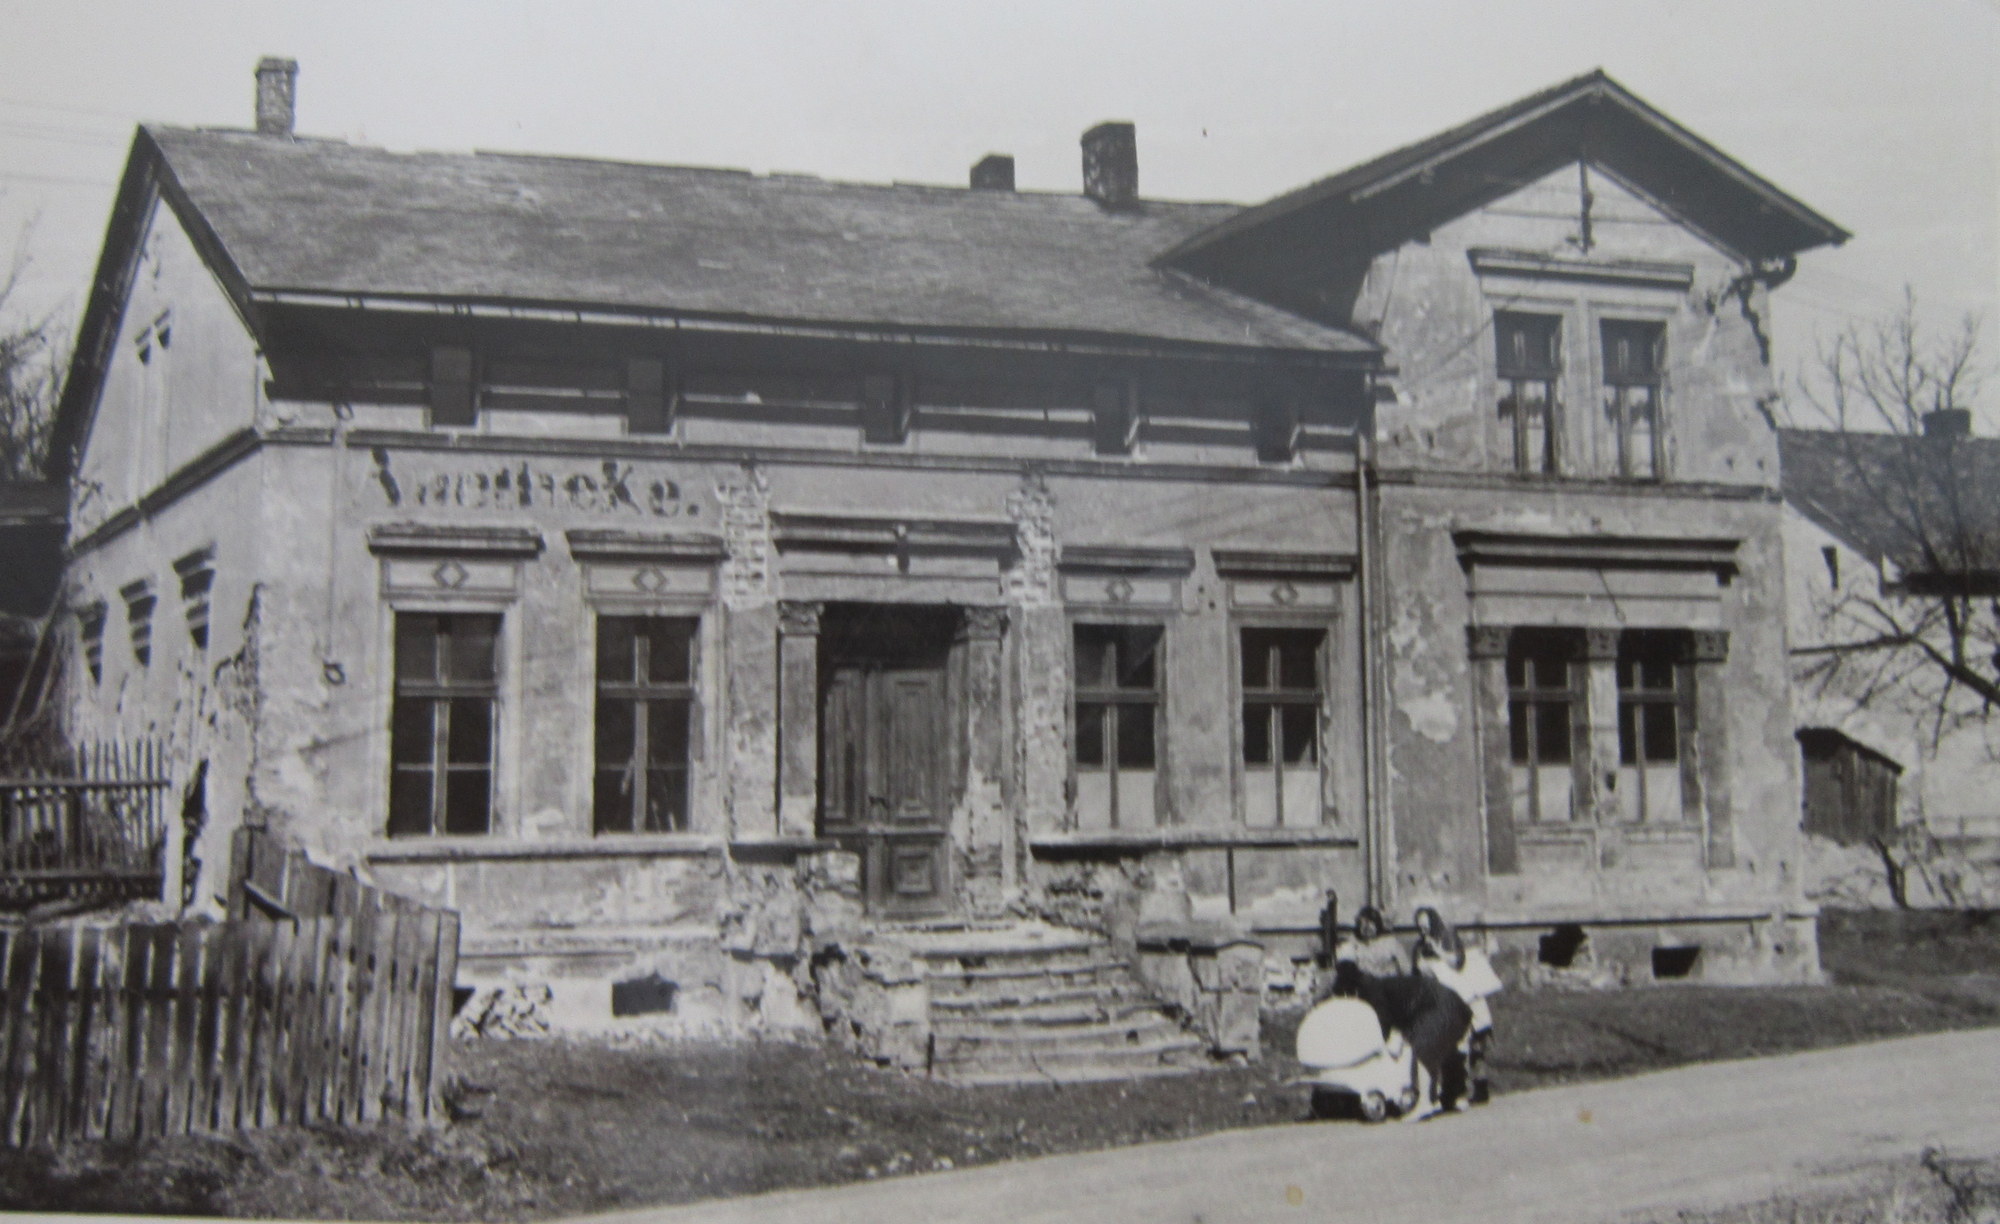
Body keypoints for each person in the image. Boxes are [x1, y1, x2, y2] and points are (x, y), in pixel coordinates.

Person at [1411, 906, 1504, 1107]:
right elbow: (1417, 971)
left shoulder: (1447, 936)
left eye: (1426, 925)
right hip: (1443, 998)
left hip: (1467, 994)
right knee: (1453, 1045)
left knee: (1476, 1043)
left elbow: (1458, 962)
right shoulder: (1420, 946)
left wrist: (1438, 952)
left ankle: (1479, 1088)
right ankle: (1453, 1092)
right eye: (1420, 927)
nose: (1424, 930)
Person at [1339, 906, 1408, 978]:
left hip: (1389, 982)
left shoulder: (1391, 943)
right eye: (1362, 924)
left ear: (1377, 925)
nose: (1366, 927)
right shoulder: (1353, 945)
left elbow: (1406, 969)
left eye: (1371, 923)